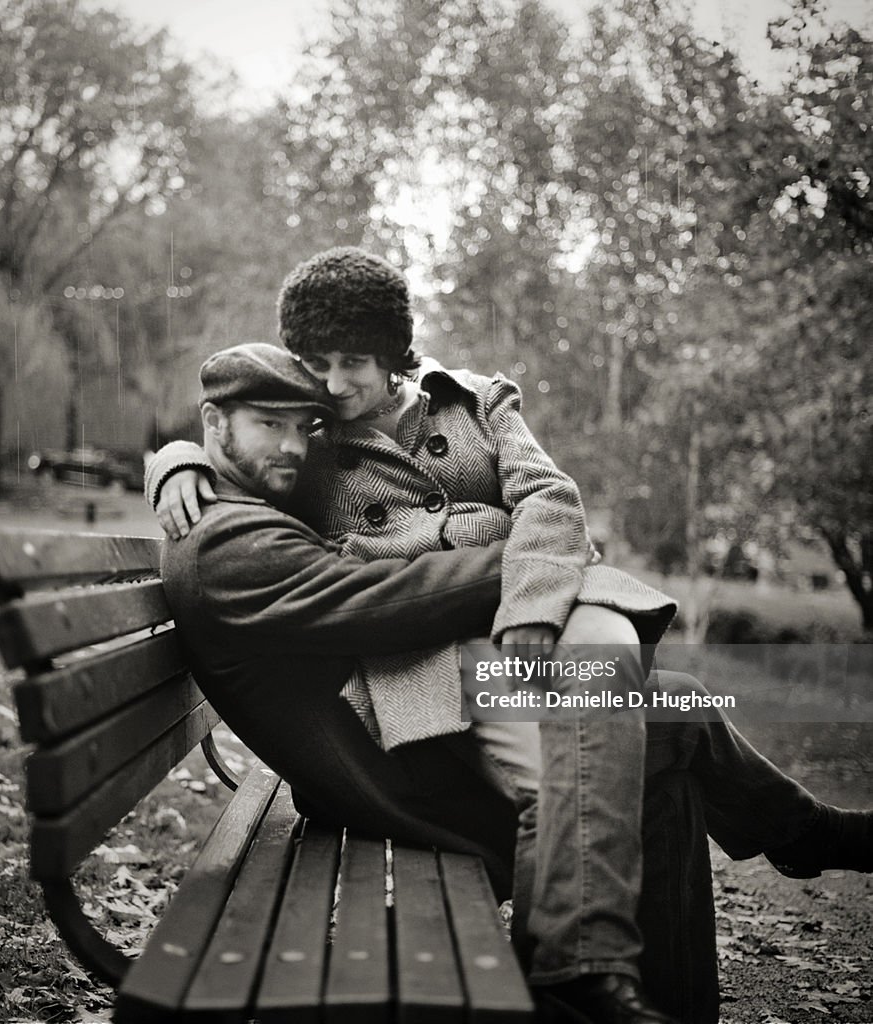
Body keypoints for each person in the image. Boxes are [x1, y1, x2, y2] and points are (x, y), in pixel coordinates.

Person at [153, 263, 873, 1023]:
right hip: (432, 673)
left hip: (535, 618)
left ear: (393, 351)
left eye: (351, 363)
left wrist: (537, 582)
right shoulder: (313, 443)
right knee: (659, 736)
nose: (330, 386)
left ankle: (768, 858)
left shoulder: (472, 398)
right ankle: (591, 968)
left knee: (638, 700)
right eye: (316, 366)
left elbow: (550, 497)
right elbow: (242, 451)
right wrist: (177, 460)